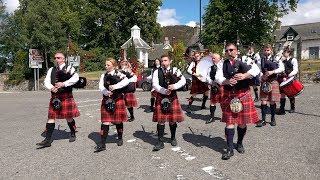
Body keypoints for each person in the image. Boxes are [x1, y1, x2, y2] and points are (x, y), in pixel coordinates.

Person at [215, 44, 260, 160]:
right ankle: (229, 148)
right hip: (229, 95)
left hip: (243, 94)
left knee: (242, 122)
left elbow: (256, 69)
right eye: (227, 51)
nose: (229, 52)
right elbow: (218, 77)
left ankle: (239, 143)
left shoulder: (245, 59)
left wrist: (245, 75)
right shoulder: (222, 63)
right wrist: (226, 81)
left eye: (231, 50)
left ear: (237, 51)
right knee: (229, 122)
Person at [36, 52, 80, 148]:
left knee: (69, 117)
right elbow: (46, 81)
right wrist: (51, 88)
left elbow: (76, 78)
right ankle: (48, 140)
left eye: (59, 57)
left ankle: (72, 133)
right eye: (55, 57)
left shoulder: (69, 68)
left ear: (64, 59)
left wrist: (64, 84)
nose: (56, 59)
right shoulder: (51, 69)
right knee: (51, 118)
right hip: (55, 97)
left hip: (66, 96)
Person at [95, 58, 130, 152]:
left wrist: (115, 87)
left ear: (114, 66)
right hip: (107, 99)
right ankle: (102, 144)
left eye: (108, 65)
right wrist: (106, 92)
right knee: (105, 121)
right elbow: (101, 86)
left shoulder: (119, 74)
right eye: (105, 65)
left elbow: (126, 81)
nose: (106, 66)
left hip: (117, 99)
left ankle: (119, 137)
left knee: (118, 121)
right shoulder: (104, 75)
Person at [152, 54, 186, 151]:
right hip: (161, 96)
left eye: (165, 60)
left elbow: (183, 81)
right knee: (160, 120)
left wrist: (174, 86)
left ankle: (173, 137)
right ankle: (160, 141)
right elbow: (155, 84)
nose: (163, 62)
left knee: (172, 119)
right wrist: (163, 90)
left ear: (170, 61)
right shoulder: (157, 71)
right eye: (162, 61)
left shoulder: (175, 70)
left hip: (172, 97)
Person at [256, 44, 284, 127]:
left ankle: (273, 119)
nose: (266, 51)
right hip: (264, 81)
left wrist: (273, 72)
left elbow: (282, 68)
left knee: (272, 101)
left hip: (273, 81)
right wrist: (261, 76)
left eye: (268, 50)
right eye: (265, 50)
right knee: (263, 100)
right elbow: (258, 70)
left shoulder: (276, 58)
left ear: (271, 51)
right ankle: (263, 120)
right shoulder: (260, 60)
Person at [277, 48, 299, 114]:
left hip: (290, 79)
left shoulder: (293, 60)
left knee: (291, 94)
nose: (283, 53)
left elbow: (295, 70)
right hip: (282, 79)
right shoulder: (282, 61)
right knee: (282, 94)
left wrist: (288, 76)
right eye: (283, 52)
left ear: (289, 53)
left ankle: (292, 107)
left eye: (284, 52)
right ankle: (282, 108)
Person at [205, 53, 223, 124]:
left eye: (214, 58)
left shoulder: (223, 66)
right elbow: (207, 76)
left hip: (222, 86)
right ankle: (212, 117)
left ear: (219, 59)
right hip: (214, 86)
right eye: (212, 58)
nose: (212, 59)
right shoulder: (210, 67)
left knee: (223, 101)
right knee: (212, 101)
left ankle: (224, 116)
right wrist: (211, 82)